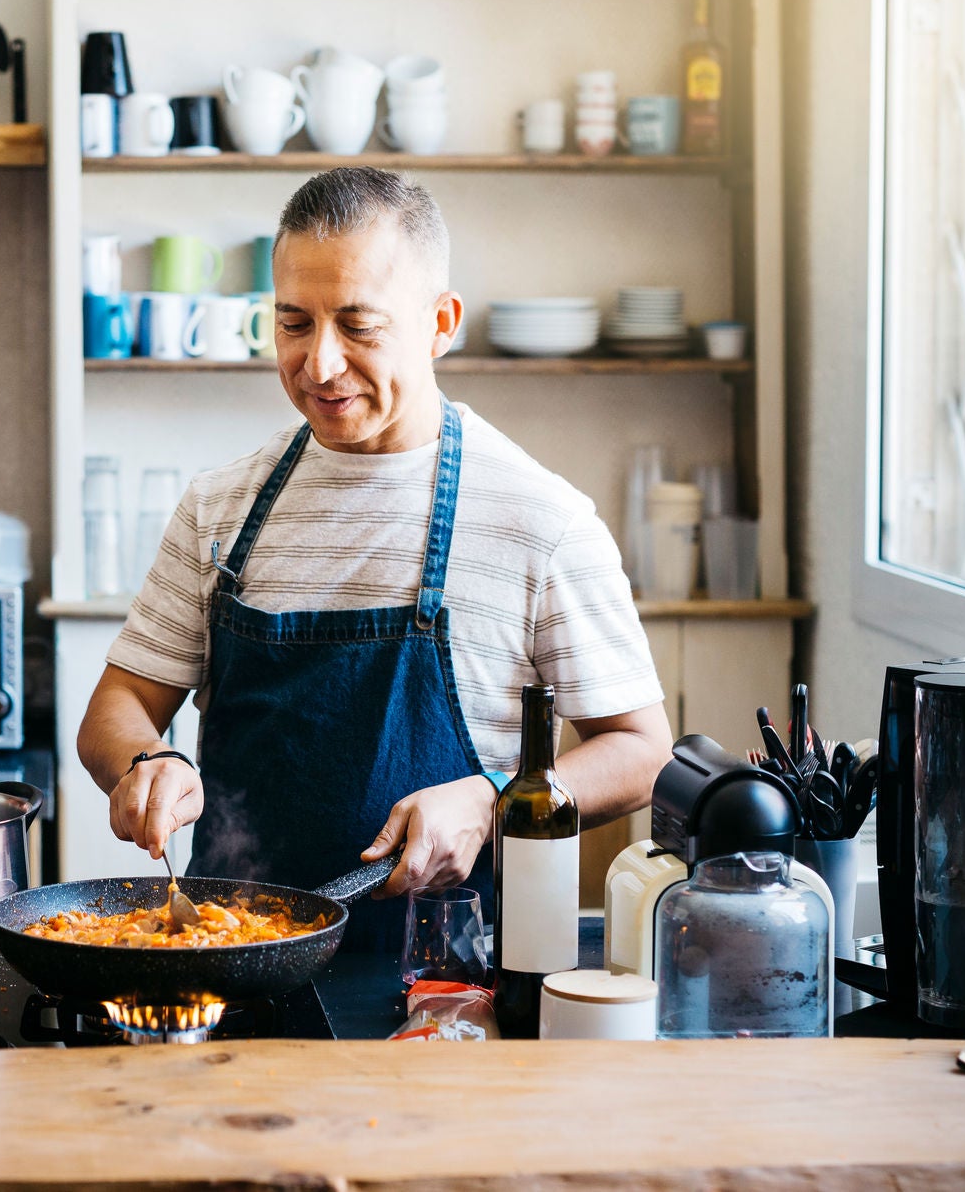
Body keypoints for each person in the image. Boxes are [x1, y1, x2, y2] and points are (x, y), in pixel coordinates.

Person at [76, 168, 672, 942]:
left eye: (359, 326)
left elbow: (643, 750)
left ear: (440, 323)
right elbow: (114, 709)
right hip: (232, 966)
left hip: (450, 989)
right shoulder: (220, 506)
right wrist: (144, 763)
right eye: (294, 323)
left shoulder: (542, 522)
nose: (320, 363)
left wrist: (493, 800)